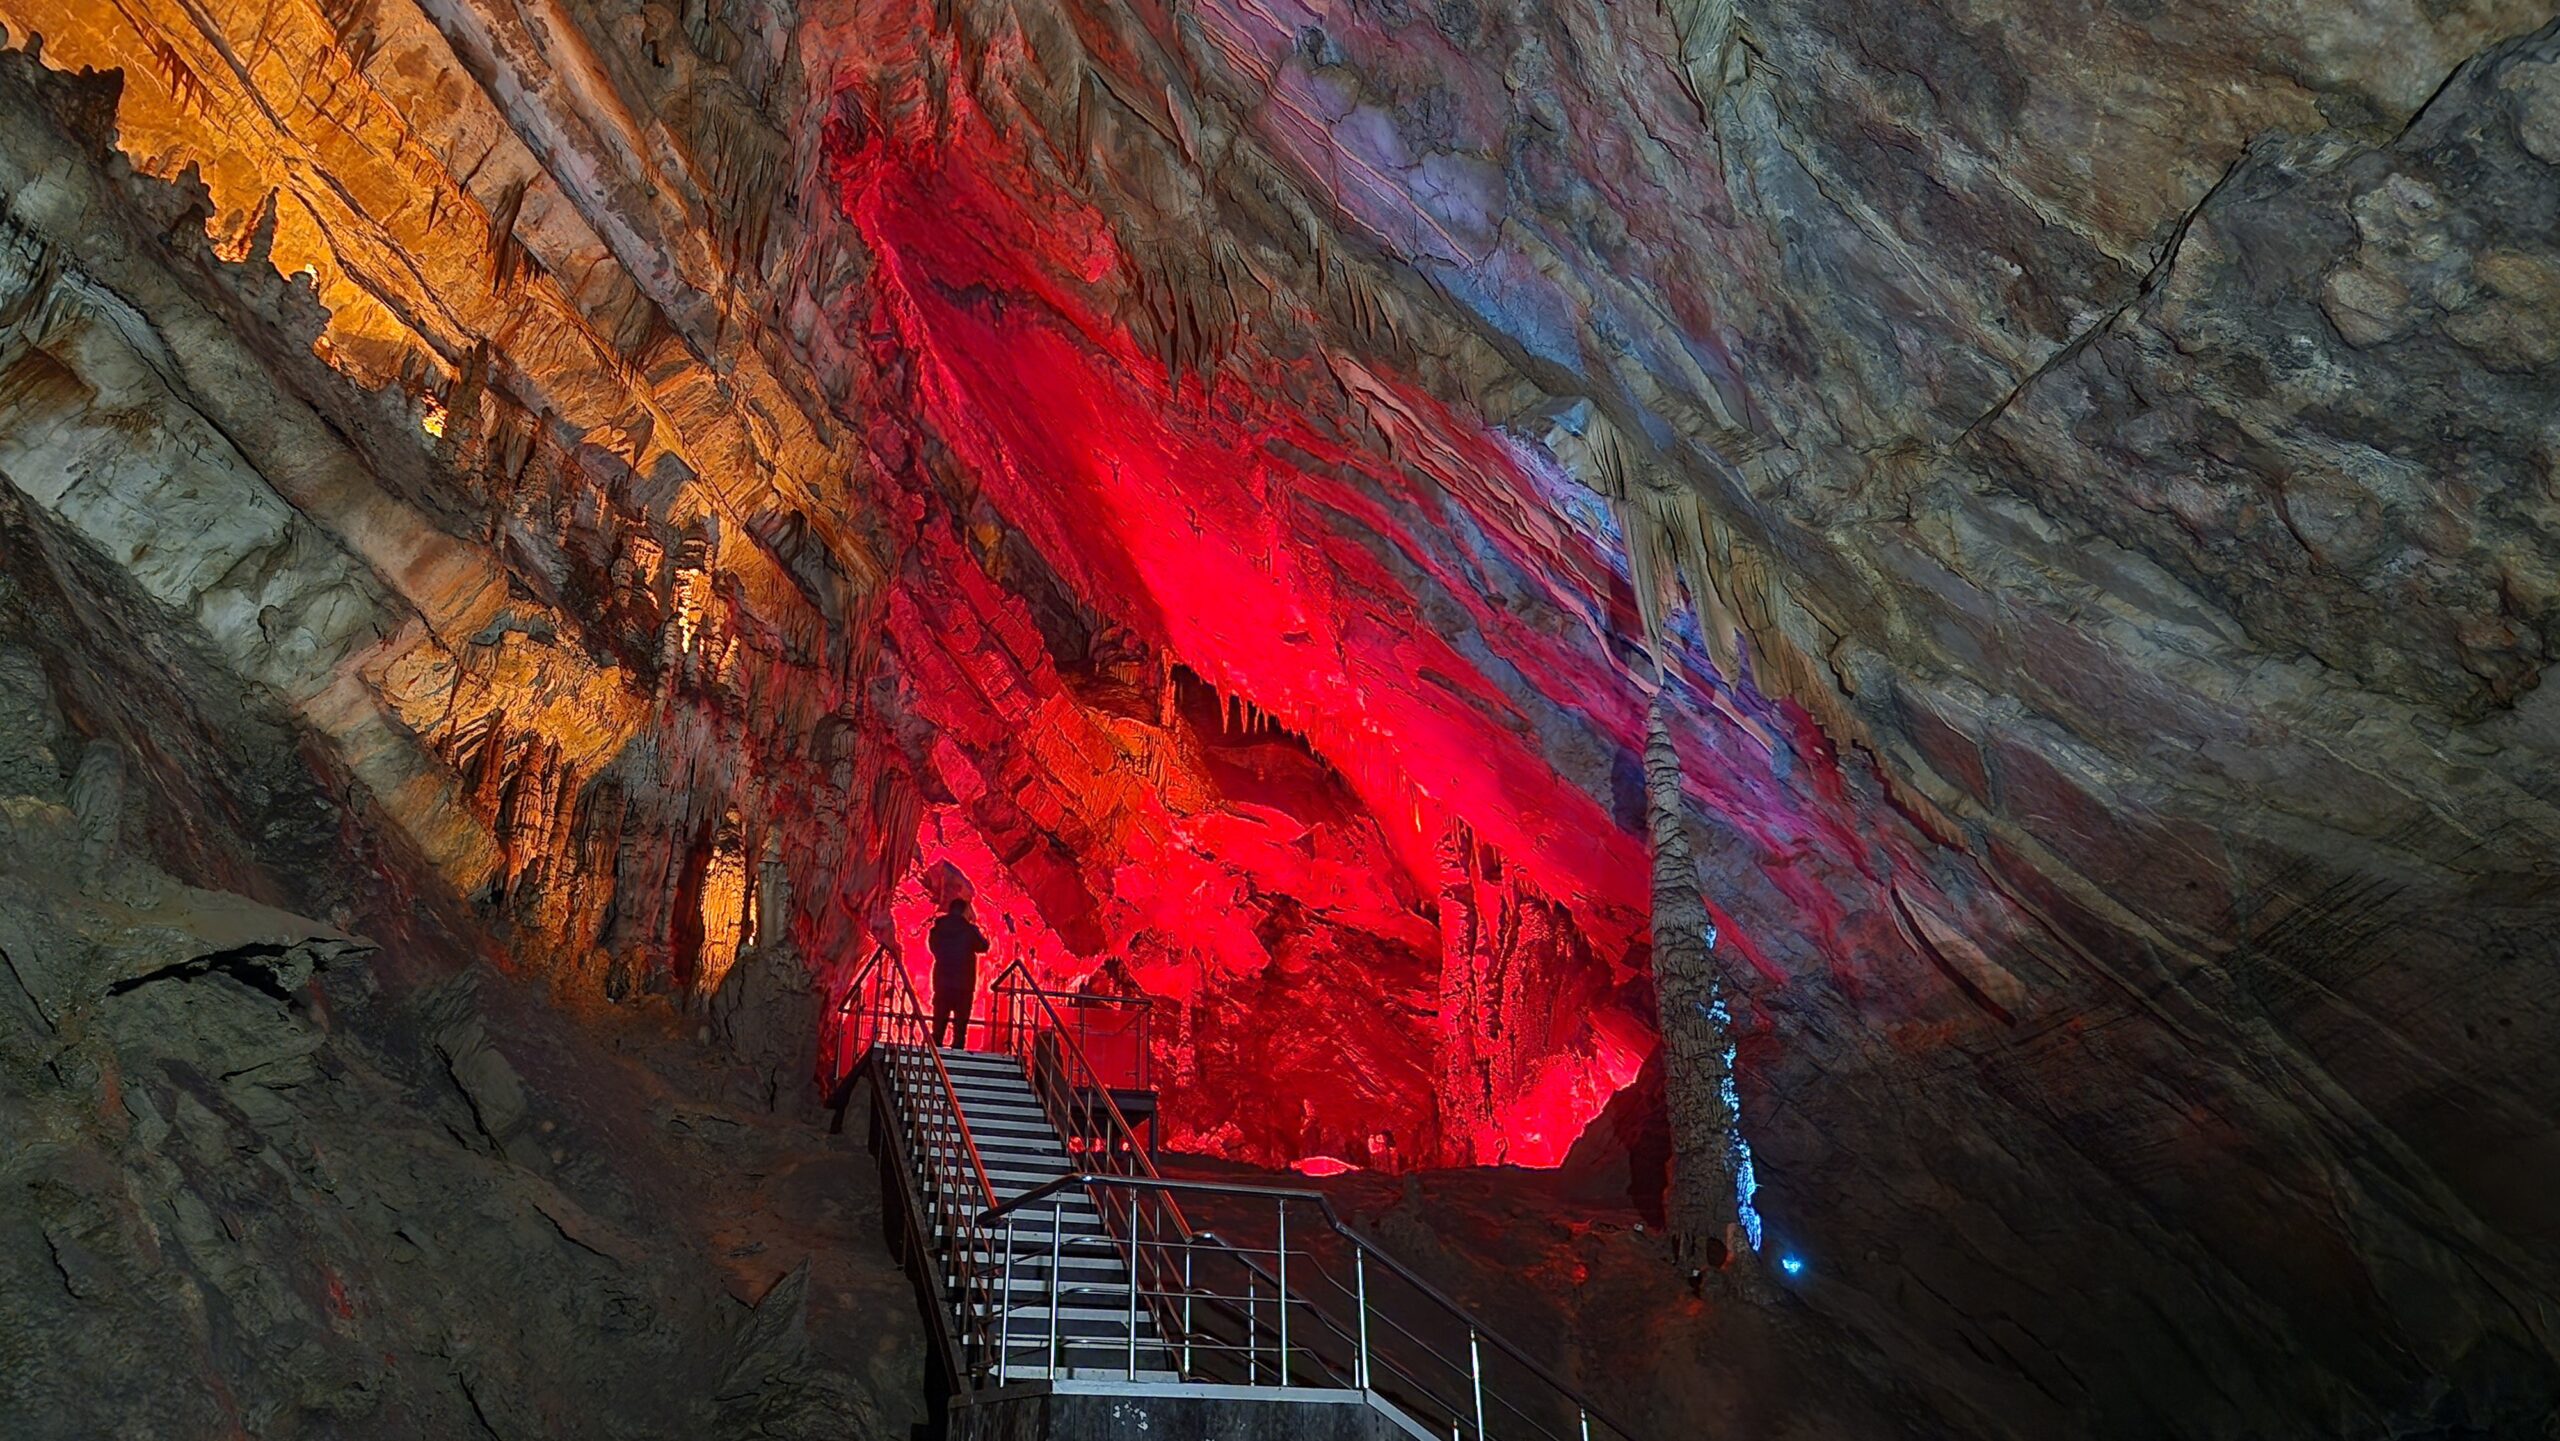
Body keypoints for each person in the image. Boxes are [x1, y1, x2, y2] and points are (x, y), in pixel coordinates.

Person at [928, 896, 990, 1050]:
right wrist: (976, 928)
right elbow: (983, 946)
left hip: (942, 980)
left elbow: (934, 948)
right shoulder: (969, 930)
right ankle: (957, 1048)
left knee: (940, 1015)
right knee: (961, 1019)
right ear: (963, 911)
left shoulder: (938, 929)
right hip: (964, 983)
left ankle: (936, 1045)